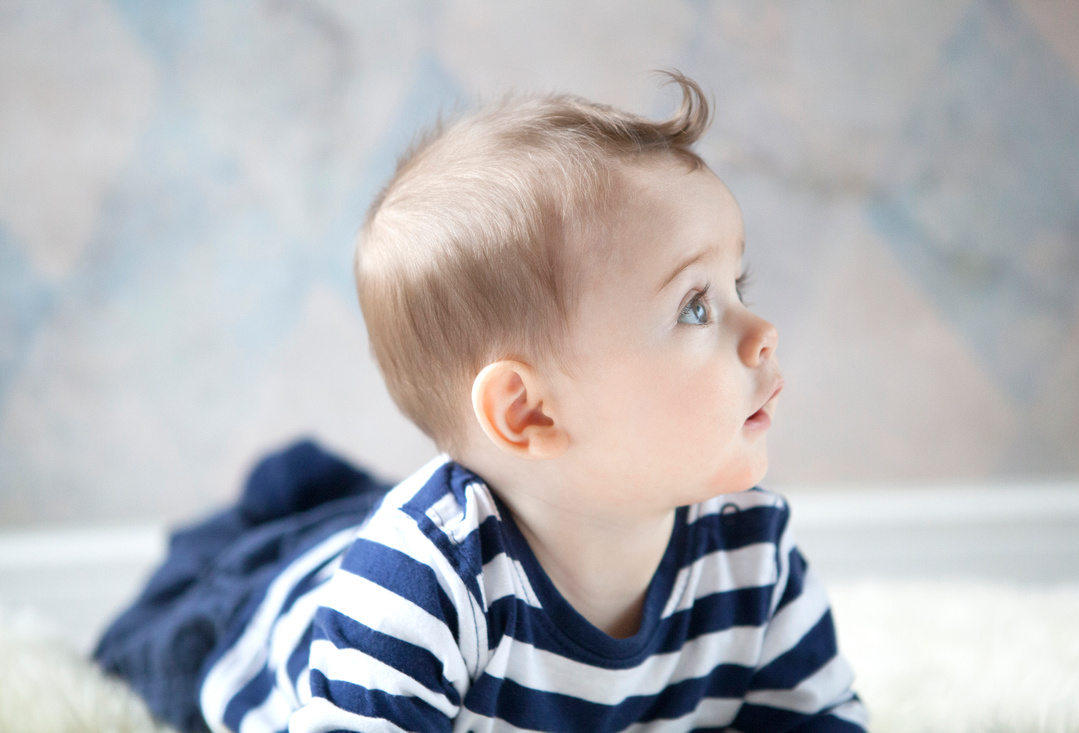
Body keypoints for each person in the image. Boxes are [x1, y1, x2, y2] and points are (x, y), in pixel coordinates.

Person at [197, 72, 868, 732]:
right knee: (212, 600)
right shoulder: (421, 584)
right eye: (695, 306)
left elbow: (823, 717)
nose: (762, 332)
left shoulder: (751, 550)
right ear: (530, 412)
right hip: (278, 620)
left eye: (737, 287)